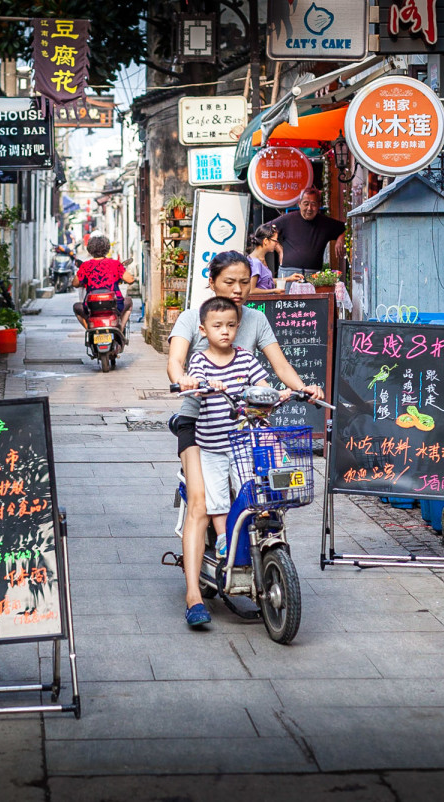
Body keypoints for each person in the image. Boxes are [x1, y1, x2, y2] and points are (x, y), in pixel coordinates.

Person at [167, 251, 322, 627]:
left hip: (244, 421)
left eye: (244, 282)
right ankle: (192, 595)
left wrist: (302, 388)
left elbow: (277, 365)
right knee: (202, 504)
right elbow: (175, 363)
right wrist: (186, 379)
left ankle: (259, 555)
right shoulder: (195, 318)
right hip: (199, 422)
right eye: (229, 282)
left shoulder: (255, 319)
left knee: (269, 484)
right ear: (212, 281)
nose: (238, 290)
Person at [182, 296, 292, 627]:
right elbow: (192, 383)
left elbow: (262, 382)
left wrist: (276, 393)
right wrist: (199, 384)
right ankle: (224, 538)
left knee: (253, 491)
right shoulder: (200, 360)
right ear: (203, 330)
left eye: (231, 326)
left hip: (243, 442)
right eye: (217, 326)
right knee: (215, 498)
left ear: (238, 327)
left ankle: (258, 546)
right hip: (211, 445)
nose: (225, 332)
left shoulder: (244, 358)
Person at [268, 187, 346, 279]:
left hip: (313, 276)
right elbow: (264, 230)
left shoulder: (325, 223)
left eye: (313, 204)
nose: (309, 208)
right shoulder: (287, 219)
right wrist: (279, 249)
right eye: (306, 204)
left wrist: (342, 236)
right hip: (289, 274)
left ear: (319, 205)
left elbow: (349, 227)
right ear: (299, 204)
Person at [72, 233, 135, 336]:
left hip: (91, 307)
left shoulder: (85, 266)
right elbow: (130, 279)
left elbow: (75, 283)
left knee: (76, 307)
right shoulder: (115, 264)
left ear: (90, 249)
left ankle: (90, 330)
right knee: (129, 302)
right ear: (107, 249)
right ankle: (120, 330)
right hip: (114, 305)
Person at [245, 223, 303, 295]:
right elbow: (251, 290)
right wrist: (273, 291)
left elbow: (267, 281)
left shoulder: (261, 259)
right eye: (275, 241)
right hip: (260, 305)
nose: (276, 244)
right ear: (266, 241)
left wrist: (288, 278)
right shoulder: (255, 262)